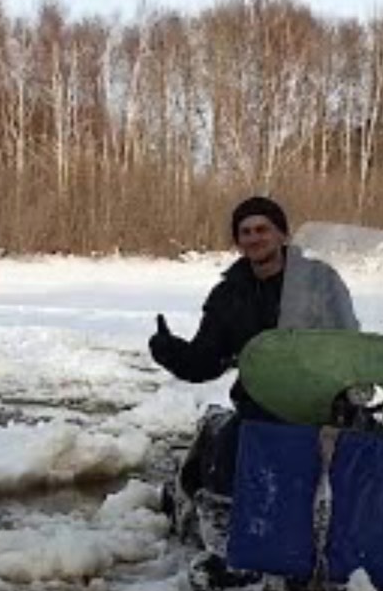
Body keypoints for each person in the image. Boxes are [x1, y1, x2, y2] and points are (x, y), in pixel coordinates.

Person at [149, 196, 358, 499]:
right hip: (262, 405)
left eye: (262, 229)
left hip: (322, 401)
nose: (254, 238)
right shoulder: (228, 294)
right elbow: (207, 361)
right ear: (238, 241)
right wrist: (170, 351)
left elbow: (348, 336)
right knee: (228, 472)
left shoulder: (318, 280)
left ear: (281, 234)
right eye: (245, 232)